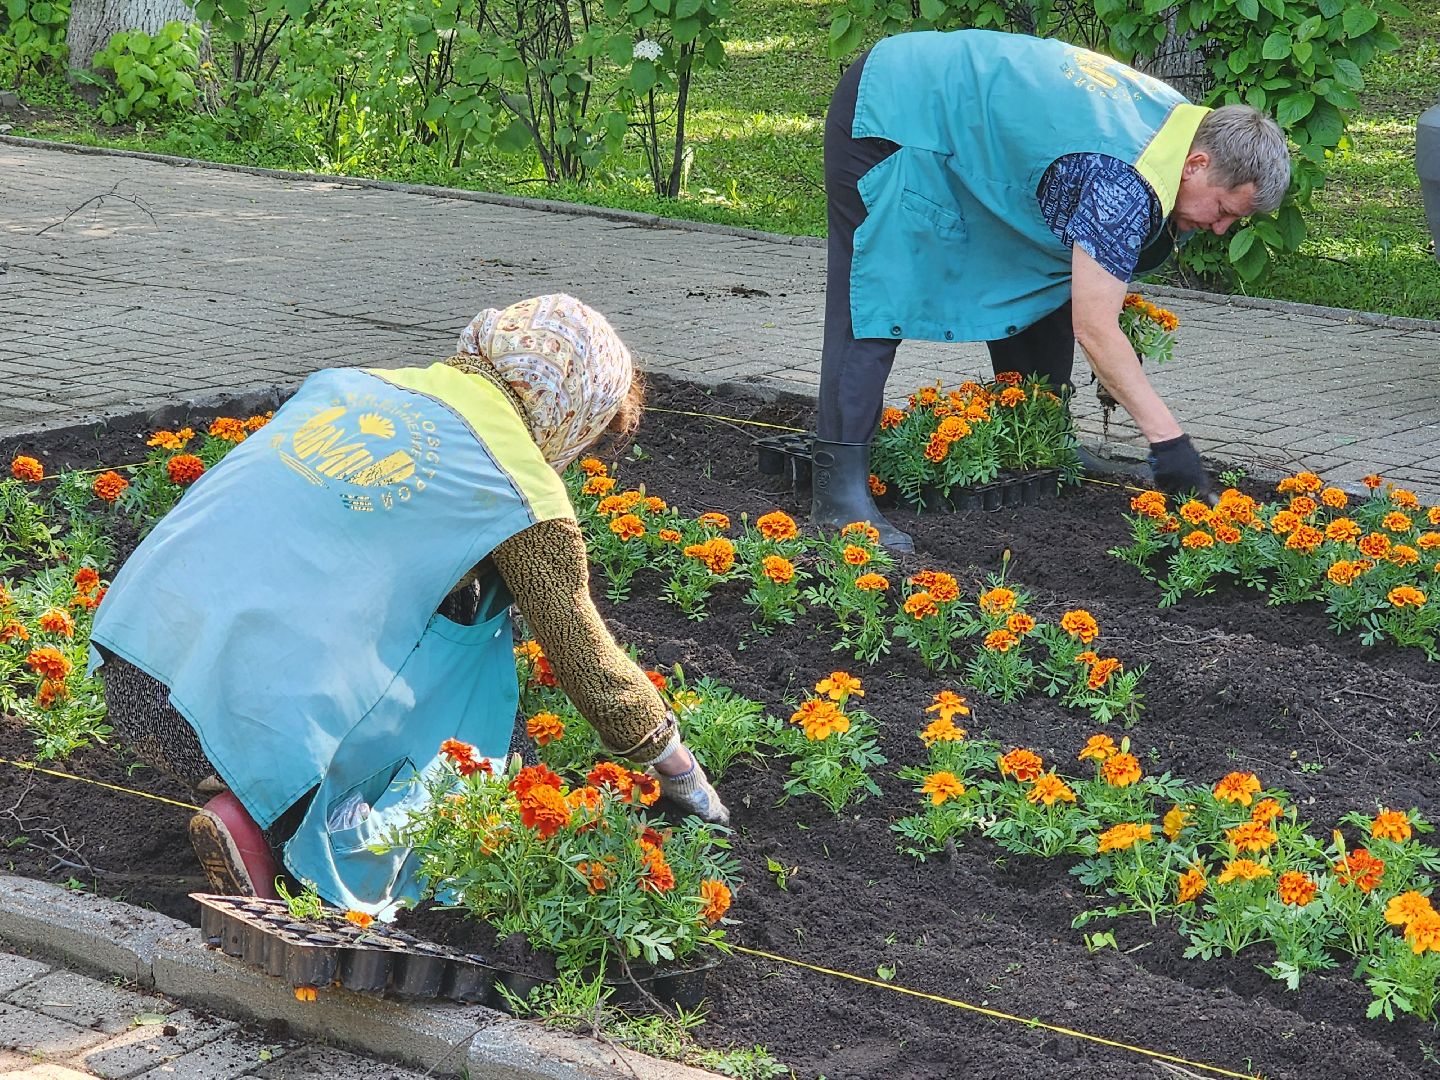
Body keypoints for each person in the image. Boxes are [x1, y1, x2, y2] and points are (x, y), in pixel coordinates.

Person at [89, 294, 729, 916]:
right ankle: (259, 817)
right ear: (574, 412)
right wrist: (677, 770)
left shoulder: (353, 384)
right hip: (238, 709)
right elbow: (586, 662)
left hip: (135, 657)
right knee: (452, 651)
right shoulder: (519, 491)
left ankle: (228, 779)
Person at [812, 29, 1292, 551]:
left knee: (1048, 274)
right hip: (892, 112)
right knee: (878, 290)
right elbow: (1094, 326)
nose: (1219, 229)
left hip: (959, 113)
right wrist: (1171, 444)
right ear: (1198, 165)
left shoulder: (1186, 131)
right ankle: (839, 492)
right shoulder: (1122, 179)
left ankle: (1040, 436)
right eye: (1223, 210)